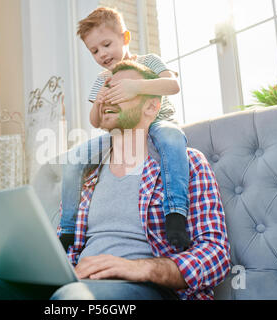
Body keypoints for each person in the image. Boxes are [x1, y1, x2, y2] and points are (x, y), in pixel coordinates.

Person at [0, 61, 230, 300]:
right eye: (107, 89)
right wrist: (45, 265)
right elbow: (69, 248)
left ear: (151, 106)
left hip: (147, 289)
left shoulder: (187, 163)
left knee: (70, 301)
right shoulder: (87, 174)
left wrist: (142, 268)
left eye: (123, 91)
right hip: (73, 282)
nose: (108, 96)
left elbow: (216, 253)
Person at [60, 7, 191, 252]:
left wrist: (136, 86)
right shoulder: (102, 78)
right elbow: (95, 122)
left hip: (157, 124)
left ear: (126, 38)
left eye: (106, 44)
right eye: (94, 51)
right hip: (118, 135)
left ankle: (175, 214)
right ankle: (67, 229)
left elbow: (173, 85)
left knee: (172, 138)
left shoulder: (148, 61)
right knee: (74, 159)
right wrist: (99, 103)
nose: (102, 54)